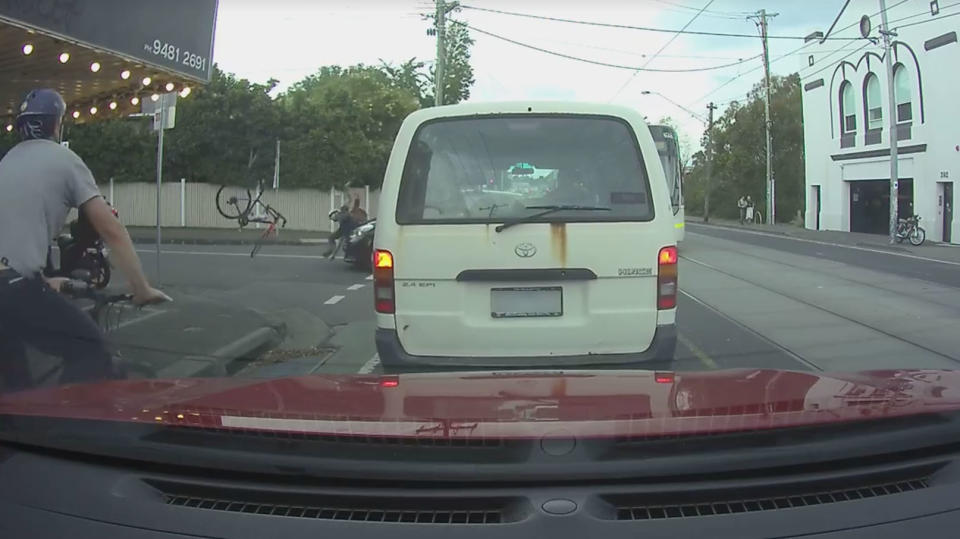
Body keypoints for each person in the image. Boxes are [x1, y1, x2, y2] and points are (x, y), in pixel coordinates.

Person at [0, 89, 169, 392]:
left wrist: (46, 279)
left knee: (14, 385)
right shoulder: (66, 160)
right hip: (14, 287)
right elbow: (111, 229)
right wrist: (140, 288)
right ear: (56, 125)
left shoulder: (5, 161)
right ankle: (64, 430)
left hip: (12, 281)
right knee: (90, 348)